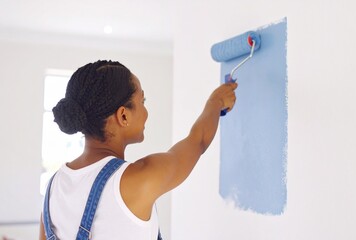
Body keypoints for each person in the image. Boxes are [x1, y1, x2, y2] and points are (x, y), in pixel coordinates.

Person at [39, 60, 237, 240]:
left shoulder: (54, 186)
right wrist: (216, 102)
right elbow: (197, 141)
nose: (146, 111)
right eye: (142, 101)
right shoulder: (137, 178)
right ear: (123, 116)